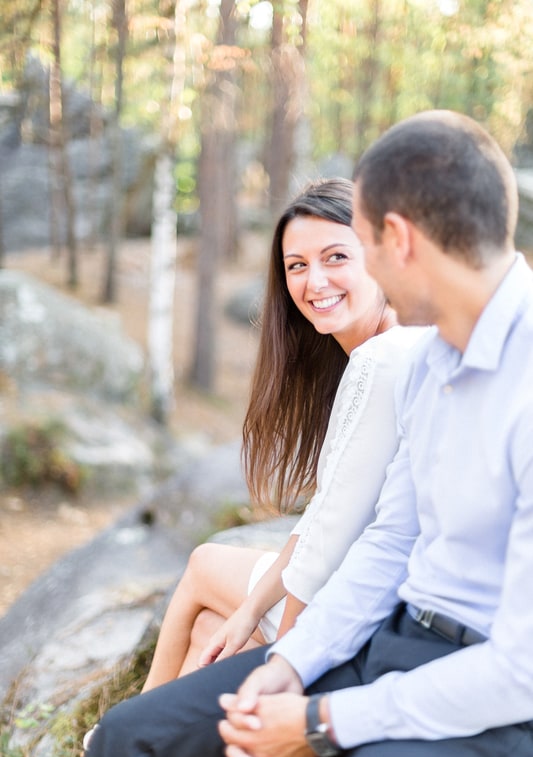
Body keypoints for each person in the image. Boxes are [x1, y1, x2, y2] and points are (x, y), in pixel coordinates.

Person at [67, 109, 533, 757]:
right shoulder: (424, 359)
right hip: (388, 639)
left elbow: (518, 670)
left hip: (492, 702)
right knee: (129, 742)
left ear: (395, 239)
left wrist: (318, 723)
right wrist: (288, 662)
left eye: (356, 248)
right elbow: (388, 538)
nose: (333, 276)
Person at [137, 178, 420, 690]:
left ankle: (125, 734)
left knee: (204, 567)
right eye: (297, 266)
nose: (315, 282)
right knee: (213, 629)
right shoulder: (395, 343)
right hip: (373, 591)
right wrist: (248, 613)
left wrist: (286, 664)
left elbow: (332, 535)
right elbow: (326, 514)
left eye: (336, 257)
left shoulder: (383, 357)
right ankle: (130, 735)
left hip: (369, 602)